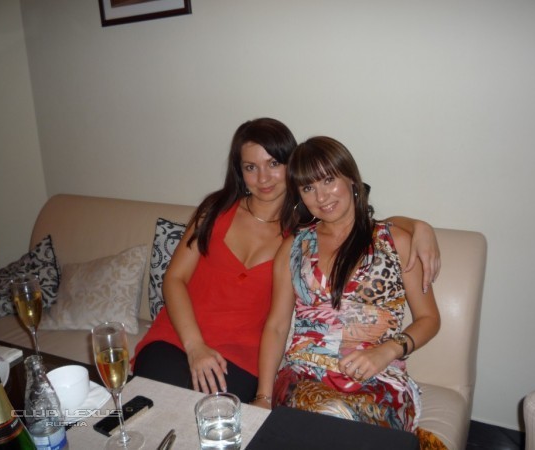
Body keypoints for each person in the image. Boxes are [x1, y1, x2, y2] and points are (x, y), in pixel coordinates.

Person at [133, 120, 441, 403]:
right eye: (251, 167)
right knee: (151, 406)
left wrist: (418, 227)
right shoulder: (217, 211)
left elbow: (360, 225)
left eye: (273, 164)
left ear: (290, 168)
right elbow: (174, 279)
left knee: (215, 417)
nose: (263, 178)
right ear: (240, 172)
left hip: (241, 357)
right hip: (179, 338)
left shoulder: (300, 231)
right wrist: (195, 346)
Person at [253, 136, 442, 446]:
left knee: (341, 422)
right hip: (304, 374)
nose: (321, 196)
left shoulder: (394, 240)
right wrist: (262, 397)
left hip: (377, 375)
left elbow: (429, 319)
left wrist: (387, 351)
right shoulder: (293, 247)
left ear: (351, 178)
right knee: (318, 415)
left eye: (329, 180)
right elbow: (276, 326)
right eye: (308, 187)